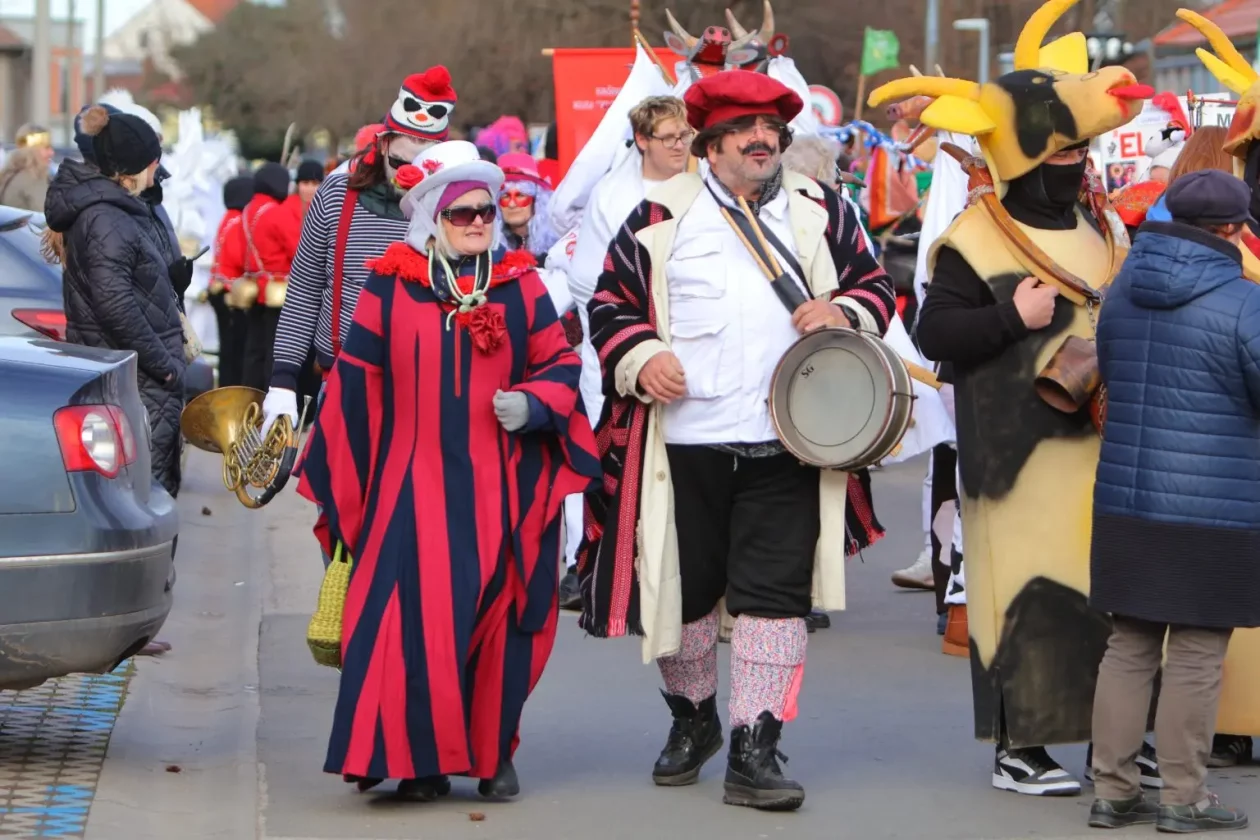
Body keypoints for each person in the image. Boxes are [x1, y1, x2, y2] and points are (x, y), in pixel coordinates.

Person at [580, 70, 895, 811]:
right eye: (744, 130)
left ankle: (756, 746)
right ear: (710, 146)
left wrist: (844, 310)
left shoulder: (825, 211)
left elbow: (879, 288)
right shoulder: (660, 213)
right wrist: (641, 355)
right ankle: (694, 720)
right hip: (684, 449)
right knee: (683, 602)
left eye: (772, 130)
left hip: (791, 444)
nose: (762, 140)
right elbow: (608, 305)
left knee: (773, 598)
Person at [870, 0, 1155, 796]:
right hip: (1012, 455)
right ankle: (1019, 746)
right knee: (1024, 592)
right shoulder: (975, 236)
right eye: (1069, 151)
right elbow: (933, 333)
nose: (1082, 166)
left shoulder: (1102, 229)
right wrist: (1012, 316)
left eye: (1086, 152)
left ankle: (1120, 737)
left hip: (1098, 446)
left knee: (1108, 596)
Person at [296, 140, 599, 800]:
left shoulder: (520, 287)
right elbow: (357, 385)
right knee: (412, 625)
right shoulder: (389, 285)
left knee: (499, 624)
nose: (479, 223)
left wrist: (537, 403)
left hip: (505, 490)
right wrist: (343, 473)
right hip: (410, 488)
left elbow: (561, 365)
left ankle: (493, 754)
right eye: (463, 213)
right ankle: (421, 762)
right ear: (435, 216)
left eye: (486, 212)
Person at [1088, 169, 1260, 833]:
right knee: (1194, 652)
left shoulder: (1124, 288)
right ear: (1232, 231)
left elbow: (1110, 369)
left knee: (1128, 644)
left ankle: (1112, 788)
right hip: (1212, 507)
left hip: (1127, 500)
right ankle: (1184, 796)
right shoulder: (1244, 303)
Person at [260, 66, 457, 439]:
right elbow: (303, 288)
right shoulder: (336, 194)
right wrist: (283, 379)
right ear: (382, 144)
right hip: (342, 383)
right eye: (399, 162)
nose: (406, 176)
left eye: (420, 167)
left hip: (424, 394)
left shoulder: (454, 207)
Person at [557, 95, 691, 609]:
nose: (680, 146)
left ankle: (671, 564)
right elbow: (595, 281)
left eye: (685, 136)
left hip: (680, 343)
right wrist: (635, 340)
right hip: (614, 342)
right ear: (641, 141)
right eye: (669, 137)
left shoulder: (701, 186)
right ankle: (586, 561)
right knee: (603, 447)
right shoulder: (615, 198)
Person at [46, 106, 185, 497]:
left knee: (149, 493)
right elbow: (114, 303)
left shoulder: (117, 210)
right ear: (133, 166)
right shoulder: (107, 217)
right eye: (152, 164)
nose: (156, 173)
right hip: (134, 379)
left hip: (135, 376)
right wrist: (166, 366)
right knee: (145, 498)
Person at [233, 162, 292, 391]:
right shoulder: (276, 212)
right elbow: (295, 247)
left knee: (254, 349)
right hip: (276, 288)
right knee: (274, 350)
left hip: (255, 286)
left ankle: (249, 397)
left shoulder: (248, 209)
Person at [209, 175, 253, 386]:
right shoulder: (238, 222)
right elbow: (239, 258)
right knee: (233, 348)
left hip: (219, 287)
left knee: (228, 347)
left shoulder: (229, 217)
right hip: (229, 290)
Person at [496, 152, 561, 260]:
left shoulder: (557, 246)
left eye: (520, 195)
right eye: (505, 196)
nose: (512, 204)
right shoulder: (489, 250)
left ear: (536, 200)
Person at [0, 124, 53, 211]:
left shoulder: (8, 175)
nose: (51, 153)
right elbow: (49, 218)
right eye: (46, 148)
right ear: (32, 150)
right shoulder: (33, 178)